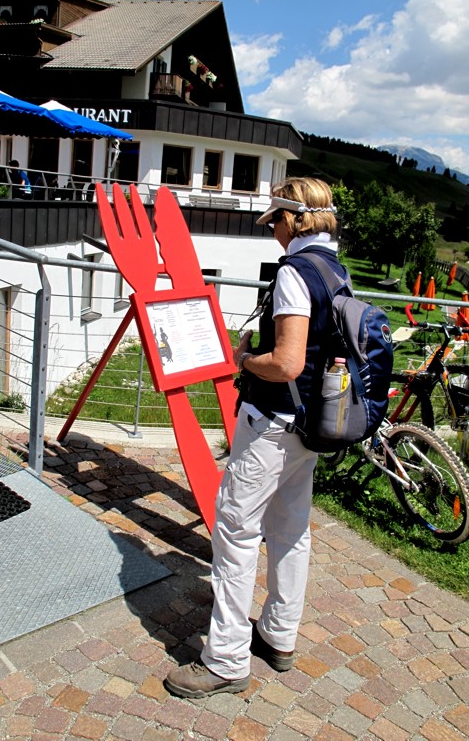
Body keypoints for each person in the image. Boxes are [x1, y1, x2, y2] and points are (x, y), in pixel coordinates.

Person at [164, 177, 341, 699]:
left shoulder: (294, 272)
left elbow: (286, 363)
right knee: (291, 531)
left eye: (275, 222)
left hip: (271, 425)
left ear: (294, 220)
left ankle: (225, 660)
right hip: (310, 425)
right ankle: (279, 635)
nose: (273, 232)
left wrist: (243, 358)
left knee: (236, 534)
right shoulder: (334, 268)